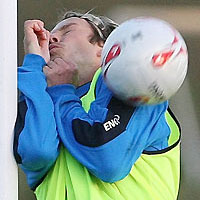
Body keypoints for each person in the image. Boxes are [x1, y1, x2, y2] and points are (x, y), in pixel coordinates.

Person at [14, 10, 181, 200]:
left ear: (106, 47)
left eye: (67, 31)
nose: (50, 37)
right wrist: (35, 63)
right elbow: (35, 152)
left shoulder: (135, 85)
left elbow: (108, 158)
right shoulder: (43, 99)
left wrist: (62, 93)